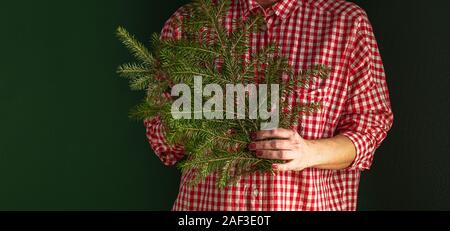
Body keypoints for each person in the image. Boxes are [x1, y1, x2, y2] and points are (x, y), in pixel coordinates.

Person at [144, 0, 393, 211]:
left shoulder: (345, 23)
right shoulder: (188, 24)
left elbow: (370, 127)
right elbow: (164, 141)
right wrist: (202, 116)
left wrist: (308, 152)